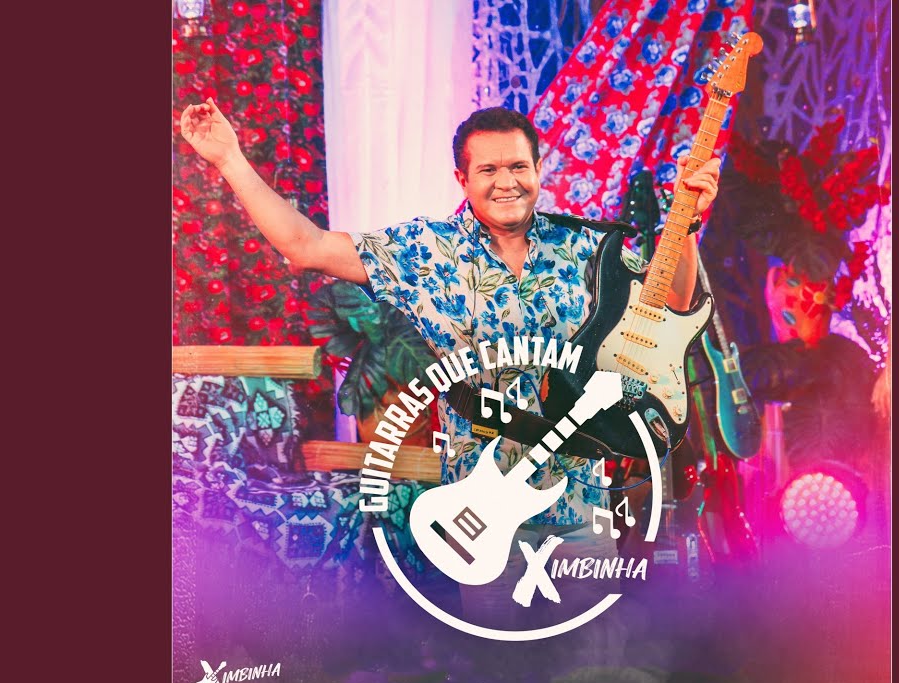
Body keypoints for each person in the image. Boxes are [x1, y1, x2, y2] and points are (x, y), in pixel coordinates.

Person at [179, 100, 721, 636]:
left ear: (539, 169)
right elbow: (306, 245)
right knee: (501, 669)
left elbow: (670, 305)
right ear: (462, 178)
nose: (506, 182)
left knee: (590, 665)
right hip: (479, 510)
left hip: (580, 504)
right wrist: (230, 159)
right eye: (488, 169)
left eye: (518, 166)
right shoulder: (424, 251)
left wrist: (689, 224)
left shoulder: (587, 246)